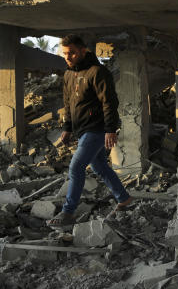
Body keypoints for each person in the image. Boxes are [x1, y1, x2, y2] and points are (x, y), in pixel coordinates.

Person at [48, 34, 132, 226]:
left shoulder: (98, 72)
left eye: (72, 53)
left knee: (76, 167)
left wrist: (110, 129)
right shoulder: (69, 75)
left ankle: (68, 212)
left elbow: (109, 102)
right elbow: (68, 103)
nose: (68, 57)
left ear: (83, 51)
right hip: (82, 129)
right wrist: (67, 128)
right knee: (99, 166)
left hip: (97, 129)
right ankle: (124, 199)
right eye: (65, 54)